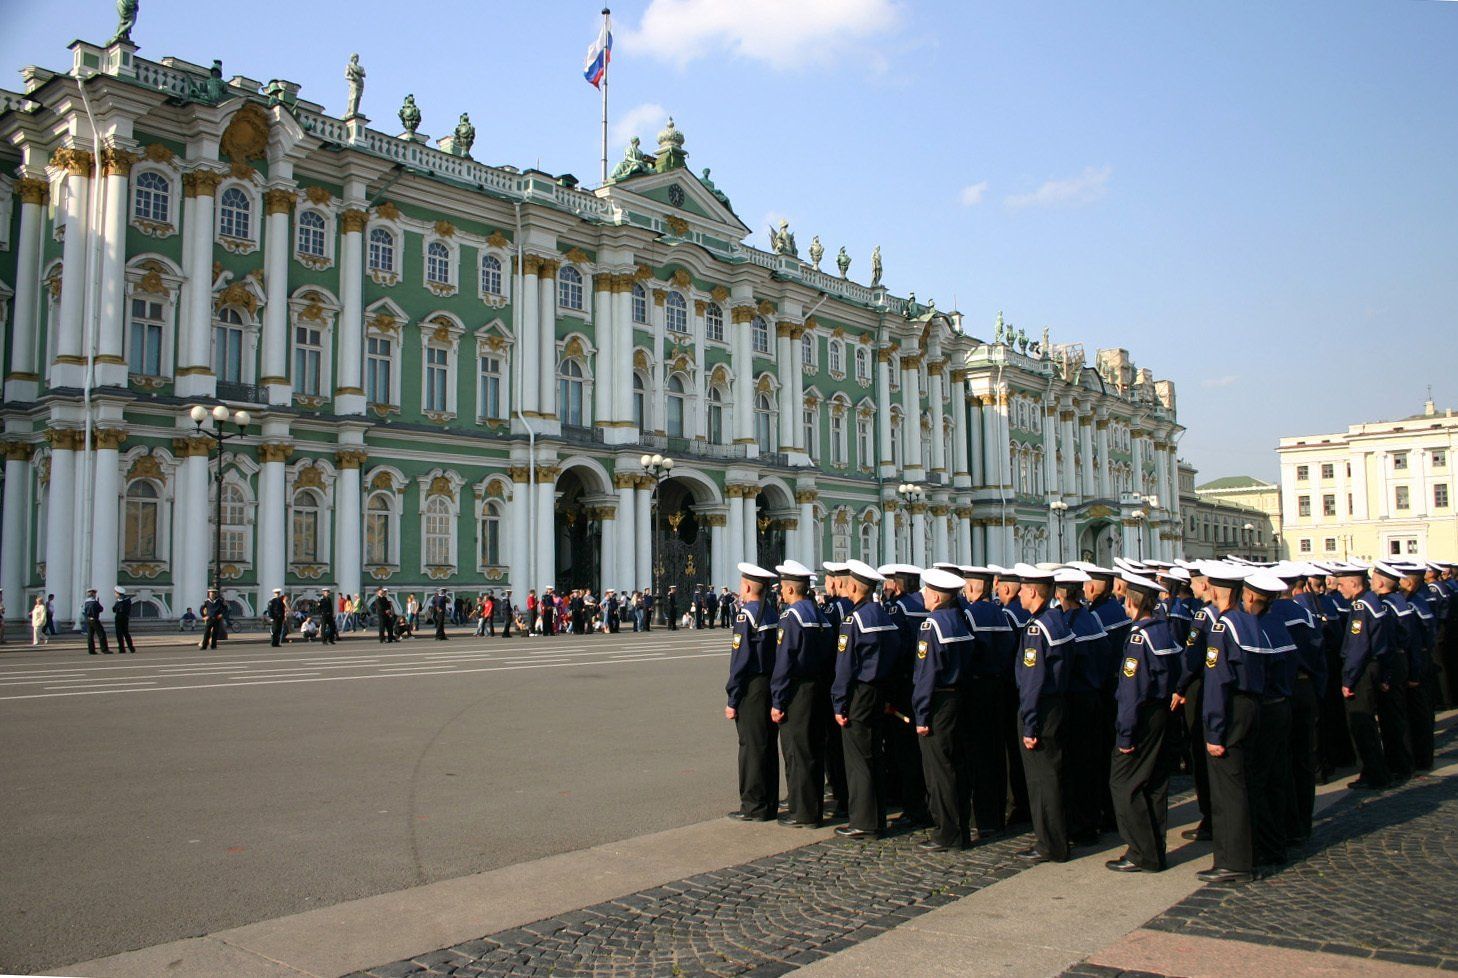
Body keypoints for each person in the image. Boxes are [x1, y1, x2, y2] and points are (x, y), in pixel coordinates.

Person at [1106, 570, 1181, 872]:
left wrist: (1125, 734)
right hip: (1163, 712)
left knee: (1124, 783)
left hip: (1143, 715)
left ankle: (1141, 851)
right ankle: (1154, 849)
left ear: (1132, 602)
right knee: (1155, 785)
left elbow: (1132, 690)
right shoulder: (1164, 629)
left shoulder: (1140, 637)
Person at [1198, 562, 1268, 884]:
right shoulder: (1250, 622)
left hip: (1231, 709)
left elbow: (1217, 682)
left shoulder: (1221, 627)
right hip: (1252, 705)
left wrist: (1214, 730)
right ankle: (1251, 853)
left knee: (1227, 791)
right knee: (1246, 783)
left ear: (1215, 591)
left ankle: (1232, 861)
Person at [832, 560, 899, 839]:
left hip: (859, 693)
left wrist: (839, 702)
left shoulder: (854, 620)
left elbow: (845, 666)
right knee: (874, 755)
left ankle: (863, 822)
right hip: (879, 690)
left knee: (858, 759)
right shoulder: (883, 615)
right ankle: (877, 817)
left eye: (848, 583)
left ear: (854, 587)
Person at [1011, 564, 1072, 863]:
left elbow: (1032, 680)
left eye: (1023, 589)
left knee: (1041, 780)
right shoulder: (1056, 620)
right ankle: (1056, 838)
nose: (1019, 594)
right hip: (1056, 705)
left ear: (1034, 592)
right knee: (1053, 776)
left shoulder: (1037, 629)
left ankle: (1050, 844)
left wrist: (1029, 724)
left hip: (1041, 709)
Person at [912, 568, 975, 851]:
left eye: (927, 591)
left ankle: (946, 832)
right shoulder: (960, 620)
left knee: (938, 772)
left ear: (936, 597)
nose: (924, 595)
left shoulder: (932, 625)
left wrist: (922, 714)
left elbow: (926, 674)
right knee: (957, 767)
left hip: (938, 703)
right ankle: (961, 829)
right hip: (959, 698)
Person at [1243, 570, 1299, 871]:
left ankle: (1267, 845)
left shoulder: (1256, 629)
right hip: (1282, 705)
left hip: (1264, 709)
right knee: (1277, 777)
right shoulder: (1277, 624)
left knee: (1258, 780)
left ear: (1251, 596)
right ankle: (1282, 837)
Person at [770, 561, 830, 828]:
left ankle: (802, 812)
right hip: (818, 687)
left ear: (791, 589)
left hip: (797, 692)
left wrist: (777, 699)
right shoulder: (820, 615)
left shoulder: (791, 617)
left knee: (796, 752)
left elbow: (784, 662)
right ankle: (813, 808)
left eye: (783, 588)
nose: (781, 593)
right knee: (814, 749)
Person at [726, 563, 781, 822]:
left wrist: (732, 697)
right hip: (770, 684)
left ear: (747, 587)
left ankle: (753, 805)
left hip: (752, 688)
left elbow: (740, 661)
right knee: (767, 744)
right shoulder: (771, 613)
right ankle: (769, 802)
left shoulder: (745, 616)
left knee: (751, 746)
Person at [83, 587, 110, 654]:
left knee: (90, 635)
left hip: (88, 620)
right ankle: (104, 649)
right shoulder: (95, 602)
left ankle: (91, 650)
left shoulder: (86, 602)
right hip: (95, 619)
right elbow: (101, 609)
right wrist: (98, 602)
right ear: (94, 594)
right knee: (101, 634)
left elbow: (84, 611)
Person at [112, 586, 137, 654]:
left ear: (118, 593)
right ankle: (129, 648)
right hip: (124, 618)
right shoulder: (125, 600)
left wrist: (118, 605)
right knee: (124, 633)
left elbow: (115, 609)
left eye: (115, 593)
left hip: (121, 618)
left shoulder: (122, 601)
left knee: (122, 634)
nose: (115, 594)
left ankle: (123, 648)